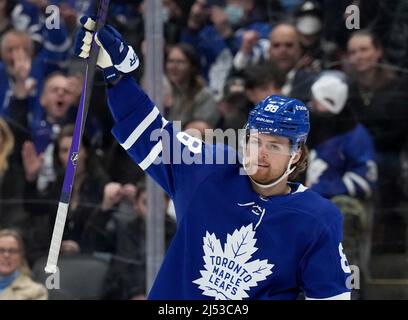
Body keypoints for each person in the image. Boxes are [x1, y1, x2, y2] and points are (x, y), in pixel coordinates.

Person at [75, 16, 351, 300]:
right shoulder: (206, 168)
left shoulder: (318, 218)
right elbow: (148, 132)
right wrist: (118, 76)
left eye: (275, 146)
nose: (260, 154)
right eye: (255, 141)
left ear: (296, 155)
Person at [0, 228, 48, 300]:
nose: (6, 255)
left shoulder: (36, 292)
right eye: (1, 250)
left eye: (12, 251)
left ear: (21, 256)